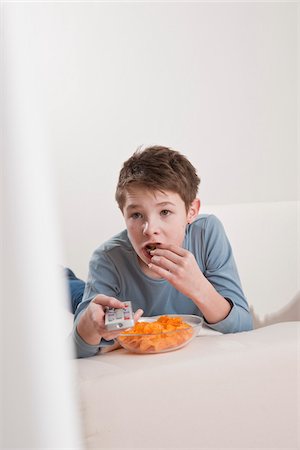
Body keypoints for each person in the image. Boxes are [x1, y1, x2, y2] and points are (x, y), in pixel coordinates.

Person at [72, 145, 253, 358]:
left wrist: (199, 287)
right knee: (74, 294)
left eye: (165, 211)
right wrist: (89, 326)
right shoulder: (108, 259)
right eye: (137, 215)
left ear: (191, 211)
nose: (150, 229)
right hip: (110, 289)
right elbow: (76, 351)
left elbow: (244, 326)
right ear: (123, 214)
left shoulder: (206, 233)